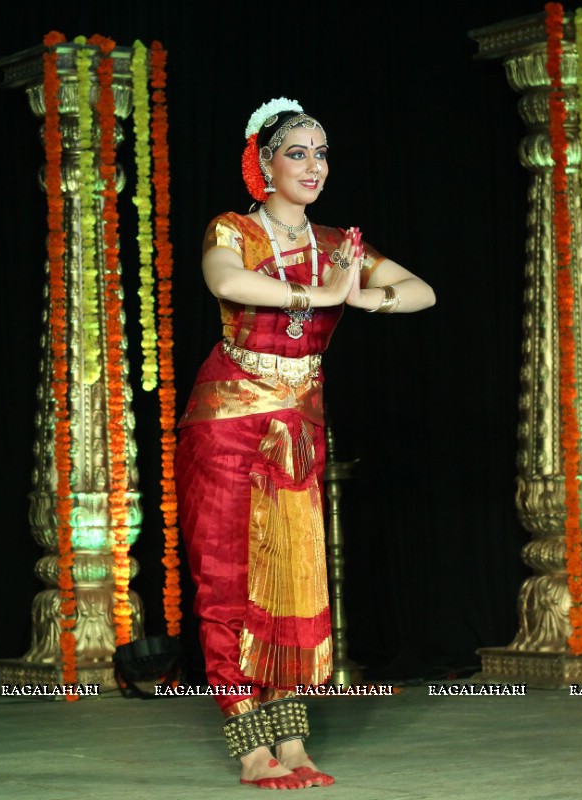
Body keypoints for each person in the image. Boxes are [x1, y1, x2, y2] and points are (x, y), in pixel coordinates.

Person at [175, 97, 435, 790]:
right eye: (298, 152)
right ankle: (250, 744)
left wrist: (361, 297)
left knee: (292, 579)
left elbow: (422, 293)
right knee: (227, 578)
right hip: (228, 422)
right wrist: (316, 298)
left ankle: (291, 741)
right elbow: (224, 281)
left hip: (297, 430)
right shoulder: (234, 230)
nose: (313, 165)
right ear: (263, 163)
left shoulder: (336, 244)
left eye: (321, 153)